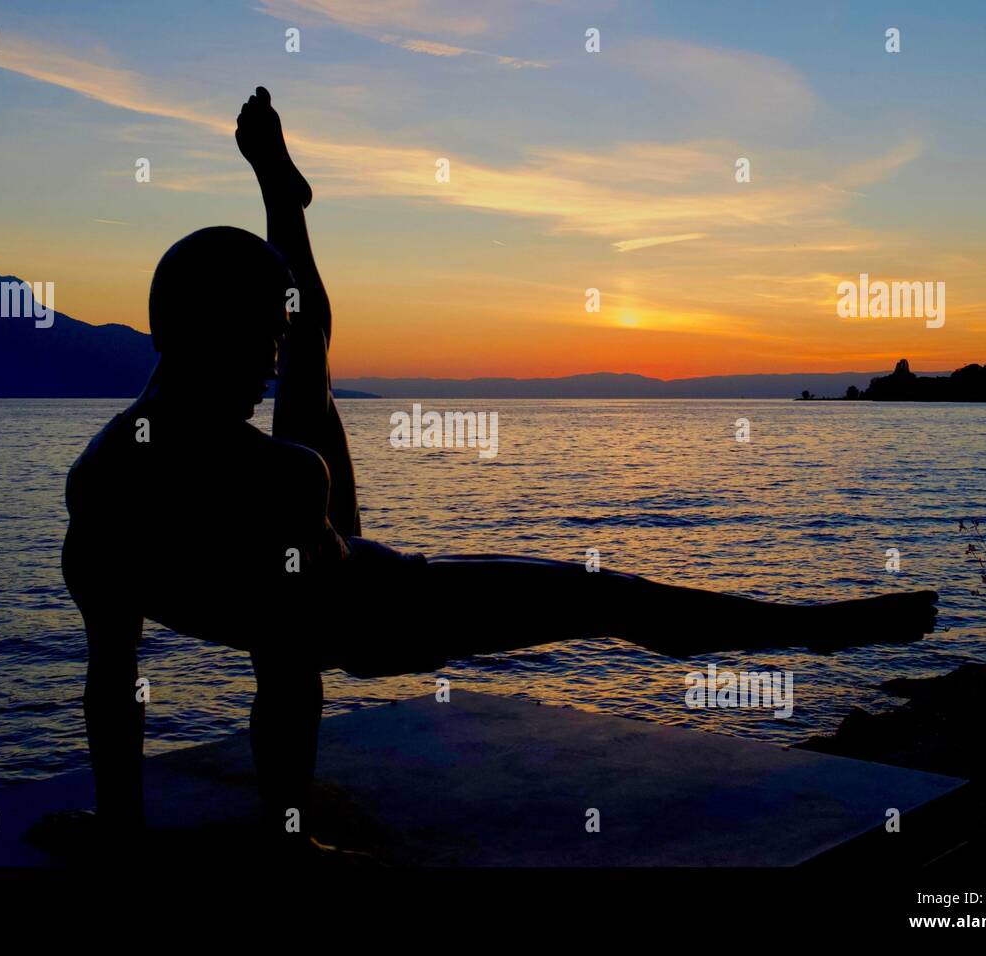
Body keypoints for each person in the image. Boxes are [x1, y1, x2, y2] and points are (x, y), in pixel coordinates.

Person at [61, 87, 938, 857]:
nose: (269, 357)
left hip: (339, 559)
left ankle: (803, 630)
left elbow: (155, 670)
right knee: (602, 594)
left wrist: (128, 827)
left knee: (596, 589)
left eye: (273, 336)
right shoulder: (155, 481)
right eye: (259, 337)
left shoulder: (140, 471)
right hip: (371, 615)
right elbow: (282, 671)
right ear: (194, 332)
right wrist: (274, 838)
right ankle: (284, 203)